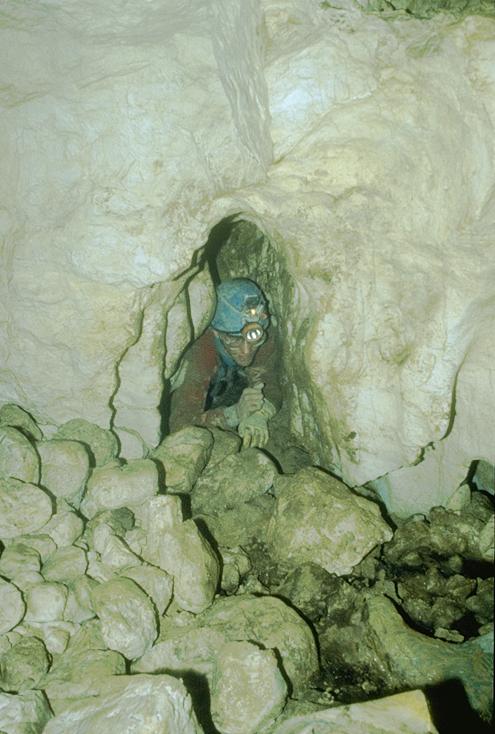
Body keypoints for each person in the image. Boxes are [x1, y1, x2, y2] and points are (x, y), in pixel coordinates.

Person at [168, 278, 280, 448]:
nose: (246, 350)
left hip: (229, 382)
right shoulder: (201, 352)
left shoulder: (263, 337)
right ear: (216, 332)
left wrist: (260, 412)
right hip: (210, 389)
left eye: (252, 339)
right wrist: (233, 414)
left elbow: (268, 380)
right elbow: (180, 424)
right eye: (233, 340)